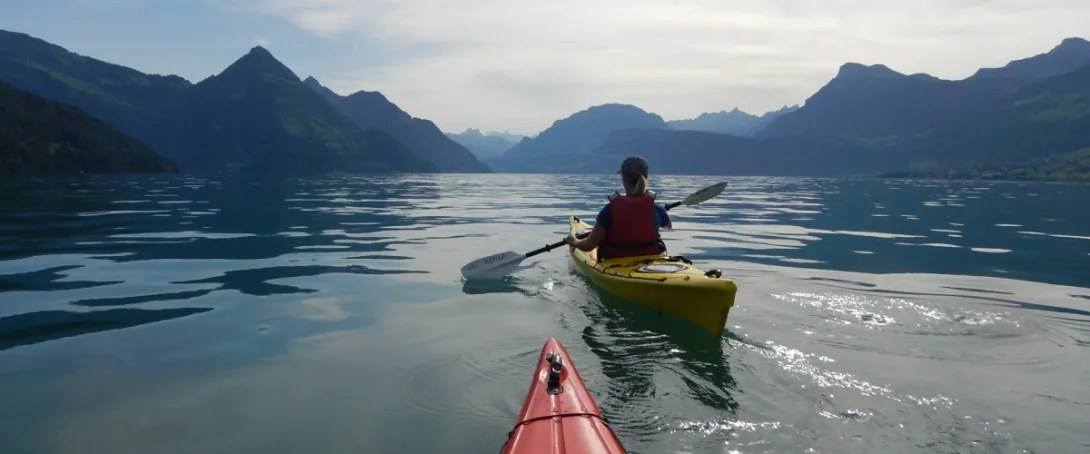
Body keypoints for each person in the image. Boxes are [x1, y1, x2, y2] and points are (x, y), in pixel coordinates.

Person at [564, 156, 672, 260]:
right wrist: (658, 213)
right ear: (646, 178)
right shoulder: (657, 210)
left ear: (623, 180)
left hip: (616, 263)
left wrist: (574, 241)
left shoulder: (609, 211)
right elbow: (668, 226)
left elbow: (588, 246)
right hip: (651, 261)